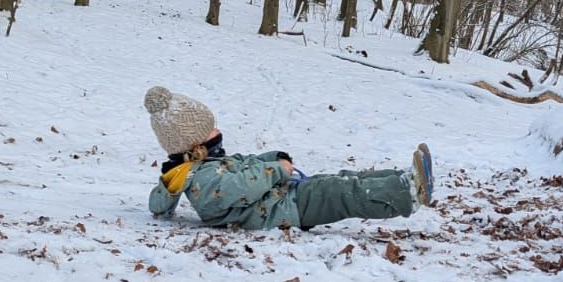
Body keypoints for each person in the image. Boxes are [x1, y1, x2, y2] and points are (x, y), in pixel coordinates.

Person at [143, 85, 434, 231]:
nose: (218, 131)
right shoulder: (202, 180)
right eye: (211, 130)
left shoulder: (206, 167)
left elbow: (245, 164)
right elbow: (241, 187)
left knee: (341, 180)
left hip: (284, 198)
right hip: (282, 210)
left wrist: (273, 157)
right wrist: (277, 169)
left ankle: (402, 179)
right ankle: (408, 195)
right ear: (195, 146)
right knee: (339, 192)